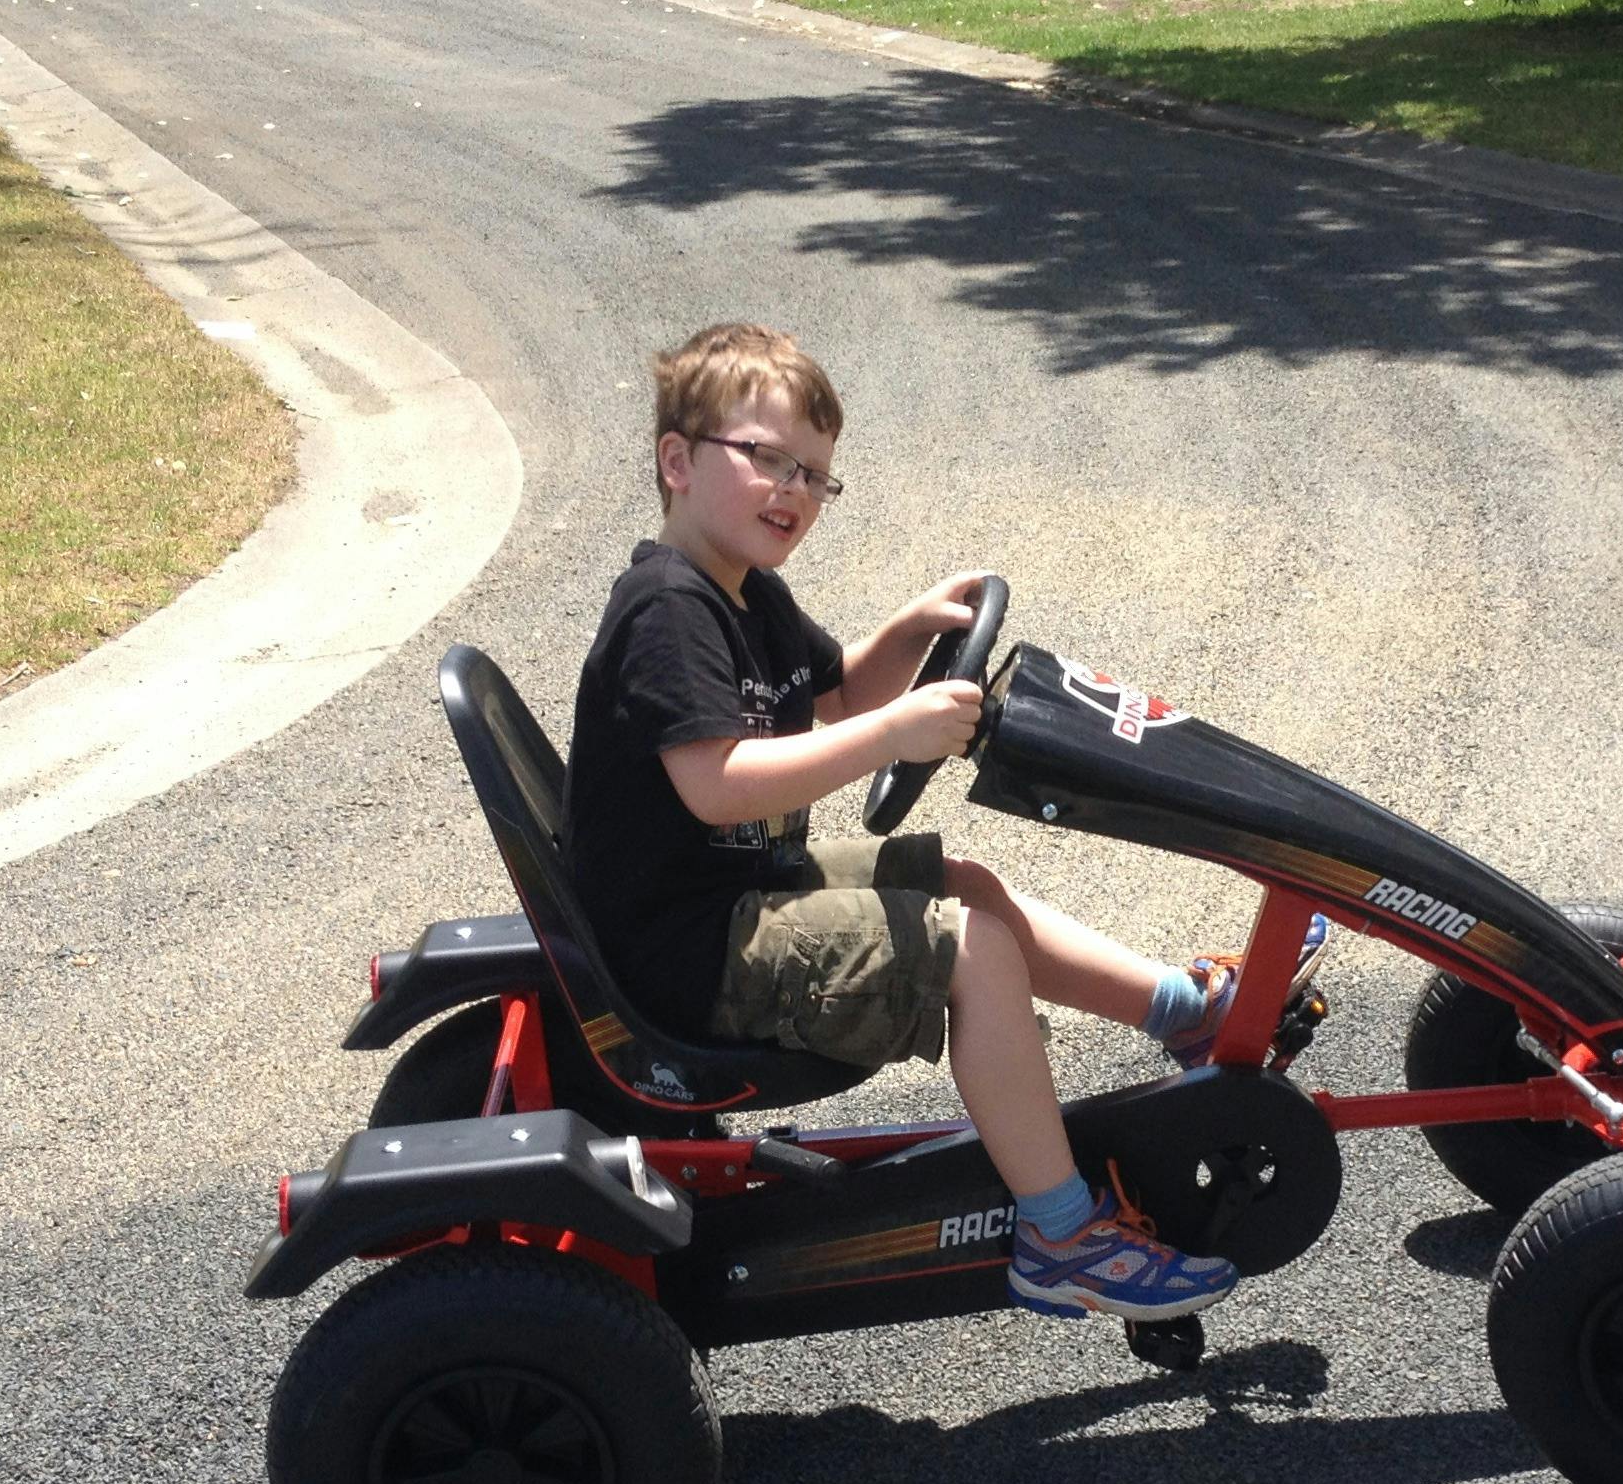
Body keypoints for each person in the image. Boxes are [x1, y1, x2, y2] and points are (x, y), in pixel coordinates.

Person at [564, 324, 1323, 1328]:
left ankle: (1189, 1013)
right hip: (687, 954)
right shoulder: (667, 612)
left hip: (724, 897)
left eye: (815, 476)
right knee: (970, 952)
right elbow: (720, 784)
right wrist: (896, 732)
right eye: (767, 460)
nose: (792, 491)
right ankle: (1063, 1236)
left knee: (960, 882)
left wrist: (914, 633)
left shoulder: (742, 592)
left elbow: (831, 696)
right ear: (677, 460)